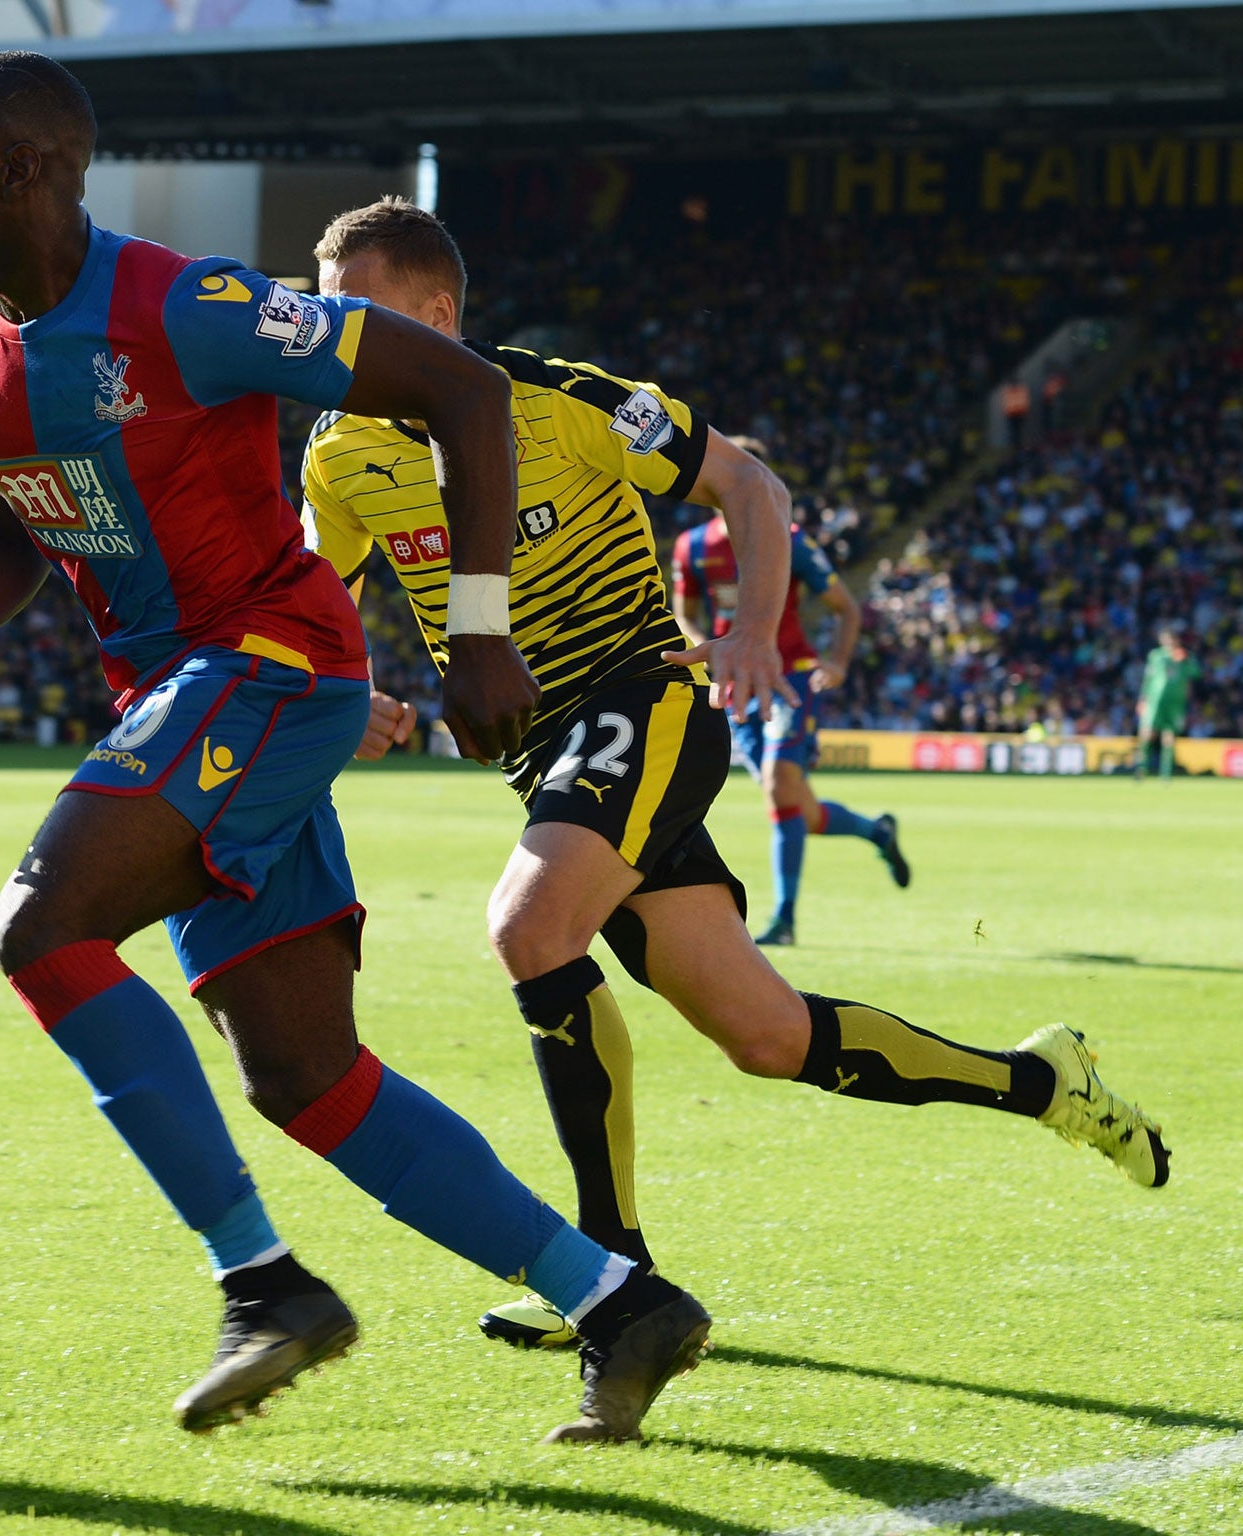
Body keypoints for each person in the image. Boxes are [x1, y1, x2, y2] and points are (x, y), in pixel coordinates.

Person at [0, 53, 712, 1445]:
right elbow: (12, 522)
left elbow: (462, 390)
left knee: (42, 927)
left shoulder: (186, 308)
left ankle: (263, 1286)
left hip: (269, 664)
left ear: (22, 171)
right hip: (186, 697)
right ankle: (619, 1305)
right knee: (304, 1074)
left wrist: (477, 628)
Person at [299, 197, 1170, 1354]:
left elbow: (752, 491)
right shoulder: (340, 449)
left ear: (433, 312)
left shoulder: (563, 401)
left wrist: (756, 631)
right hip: (545, 759)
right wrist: (339, 685)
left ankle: (605, 1275)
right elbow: (306, 597)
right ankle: (1040, 1081)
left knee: (527, 927)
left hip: (641, 702)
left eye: (352, 314)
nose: (331, 340)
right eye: (322, 317)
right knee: (765, 1037)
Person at [670, 441, 908, 947]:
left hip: (789, 677)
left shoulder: (789, 540)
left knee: (780, 785)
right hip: (736, 685)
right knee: (798, 807)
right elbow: (684, 610)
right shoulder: (692, 547)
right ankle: (877, 832)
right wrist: (701, 644)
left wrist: (838, 662)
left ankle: (785, 919)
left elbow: (846, 607)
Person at [1135, 628, 1199, 780]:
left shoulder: (1183, 657)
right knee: (1147, 733)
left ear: (1176, 641)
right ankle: (1141, 769)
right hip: (1155, 700)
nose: (1169, 643)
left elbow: (1196, 673)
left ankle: (1166, 774)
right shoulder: (1156, 656)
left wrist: (1187, 659)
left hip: (1175, 703)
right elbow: (1148, 678)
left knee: (1169, 736)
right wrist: (1143, 698)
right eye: (1166, 640)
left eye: (1171, 640)